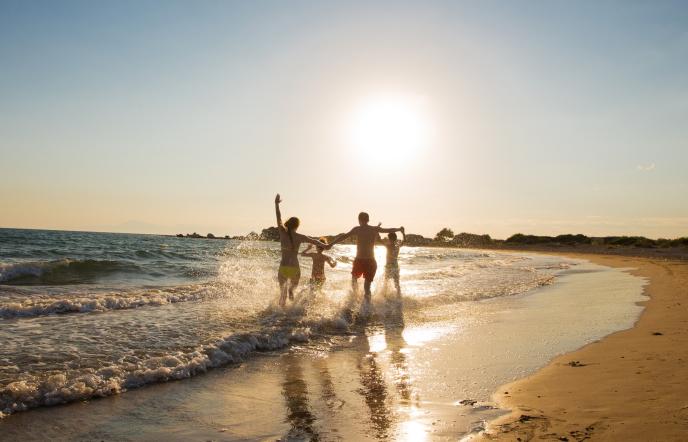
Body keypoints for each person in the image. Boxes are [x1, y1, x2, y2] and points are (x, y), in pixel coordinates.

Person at [329, 212, 403, 304]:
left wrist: (331, 244)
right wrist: (399, 229)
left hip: (359, 260)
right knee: (367, 287)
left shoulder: (357, 229)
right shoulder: (374, 229)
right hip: (371, 261)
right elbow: (389, 230)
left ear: (359, 220)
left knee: (354, 280)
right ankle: (367, 308)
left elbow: (344, 236)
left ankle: (355, 300)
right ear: (368, 220)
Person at [274, 194, 328, 307]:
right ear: (297, 226)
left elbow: (278, 218)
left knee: (282, 295)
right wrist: (326, 246)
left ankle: (278, 317)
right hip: (295, 268)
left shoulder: (282, 233)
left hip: (283, 267)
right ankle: (291, 294)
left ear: (288, 224)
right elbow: (314, 241)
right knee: (291, 290)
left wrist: (276, 204)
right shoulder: (300, 236)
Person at [380, 227, 406, 295]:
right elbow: (404, 241)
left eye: (388, 238)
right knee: (397, 283)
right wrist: (403, 233)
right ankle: (399, 297)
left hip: (389, 266)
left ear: (390, 239)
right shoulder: (397, 246)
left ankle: (384, 296)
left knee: (386, 282)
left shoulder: (388, 246)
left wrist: (377, 230)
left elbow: (379, 240)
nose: (388, 239)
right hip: (395, 266)